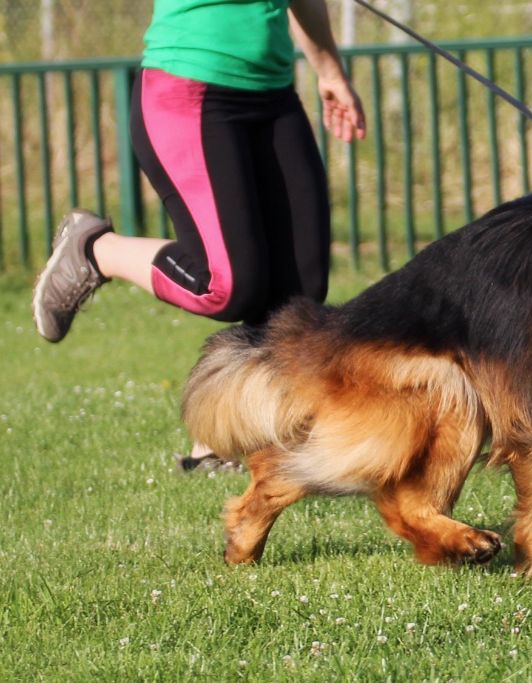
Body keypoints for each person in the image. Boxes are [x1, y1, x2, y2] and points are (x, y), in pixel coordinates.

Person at [32, 0, 366, 467]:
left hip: (272, 96)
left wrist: (330, 72)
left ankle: (224, 438)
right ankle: (95, 249)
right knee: (226, 285)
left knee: (300, 293)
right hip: (188, 91)